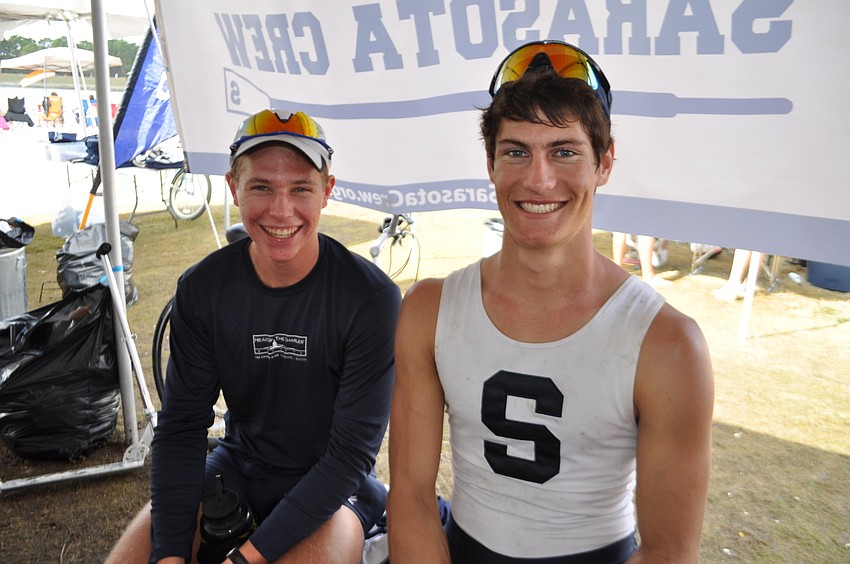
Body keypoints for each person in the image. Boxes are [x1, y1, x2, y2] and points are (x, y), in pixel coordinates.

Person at [387, 41, 714, 563]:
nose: (539, 179)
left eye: (564, 151)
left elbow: (670, 551)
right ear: (491, 163)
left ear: (604, 163)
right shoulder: (429, 310)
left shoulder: (667, 344)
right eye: (517, 150)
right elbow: (409, 496)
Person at [106, 109, 401, 564]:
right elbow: (182, 429)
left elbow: (348, 457)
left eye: (300, 188)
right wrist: (167, 553)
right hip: (237, 467)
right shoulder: (203, 289)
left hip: (336, 487)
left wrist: (245, 558)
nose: (281, 210)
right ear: (233, 187)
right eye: (261, 186)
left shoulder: (370, 298)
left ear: (327, 192)